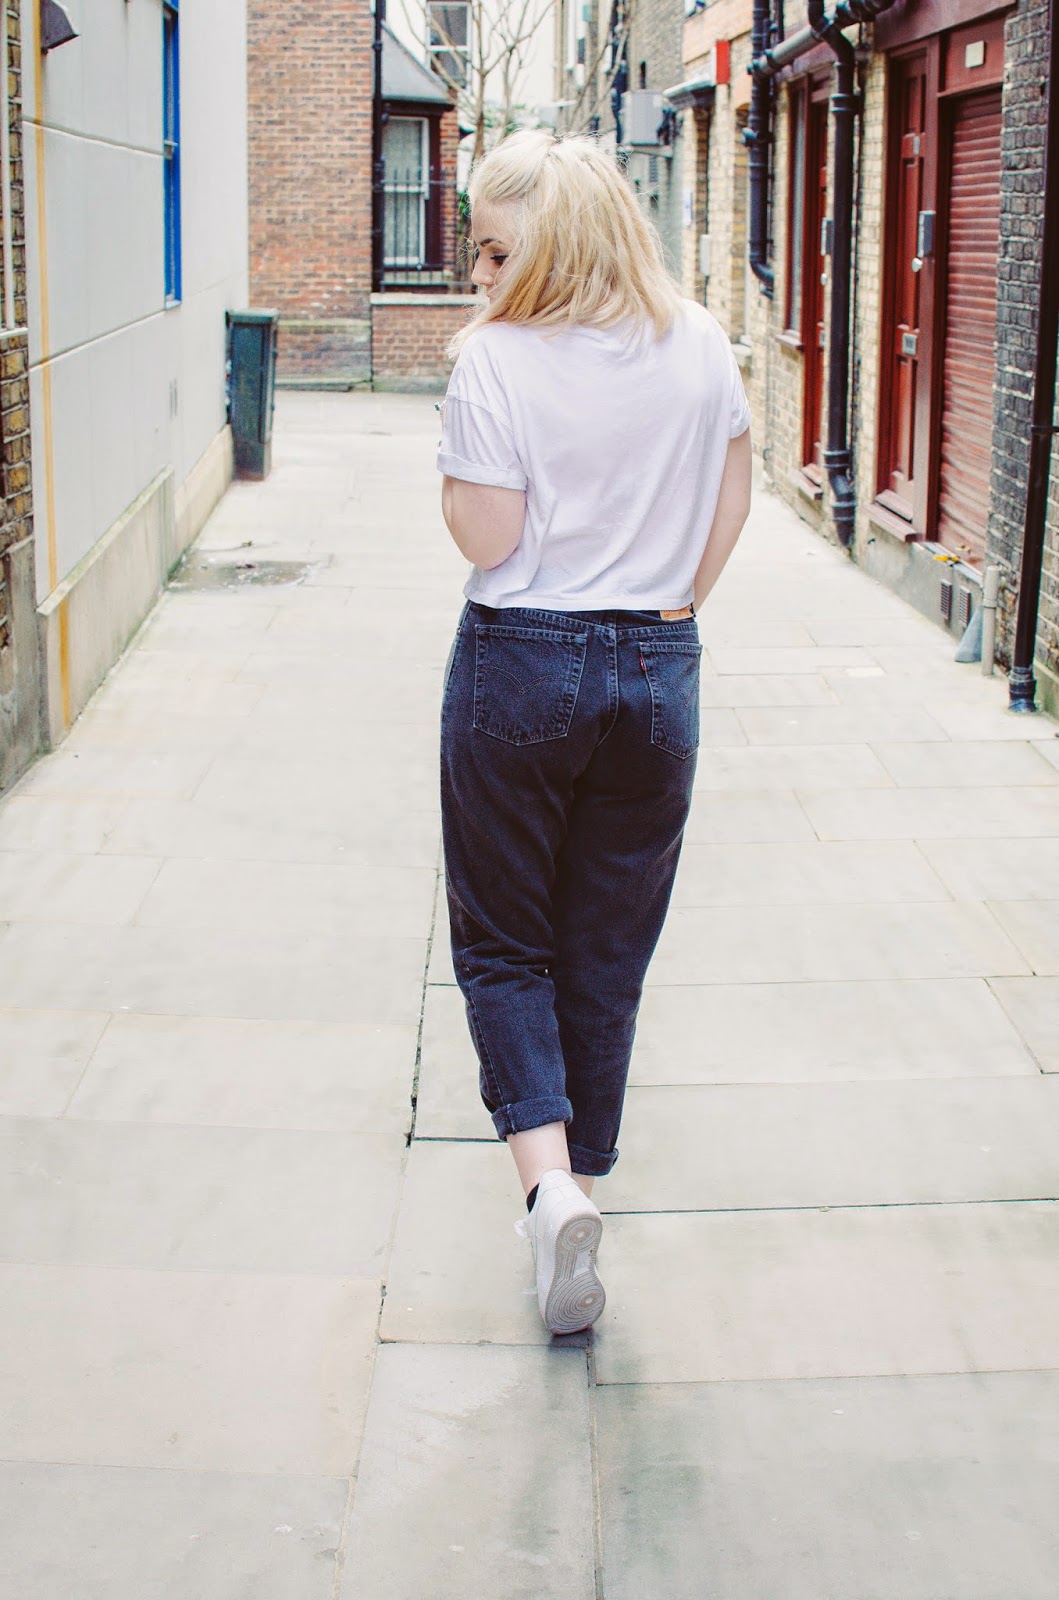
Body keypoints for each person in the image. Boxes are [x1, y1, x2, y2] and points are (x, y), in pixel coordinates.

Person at [437, 130, 752, 1337]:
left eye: (494, 250)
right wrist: (670, 608)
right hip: (659, 663)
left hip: (523, 655)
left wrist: (453, 473)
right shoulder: (703, 340)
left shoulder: (496, 358)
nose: (480, 273)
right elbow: (733, 494)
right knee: (607, 943)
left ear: (551, 242)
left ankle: (550, 1190)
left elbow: (489, 536)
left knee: (506, 941)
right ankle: (582, 1183)